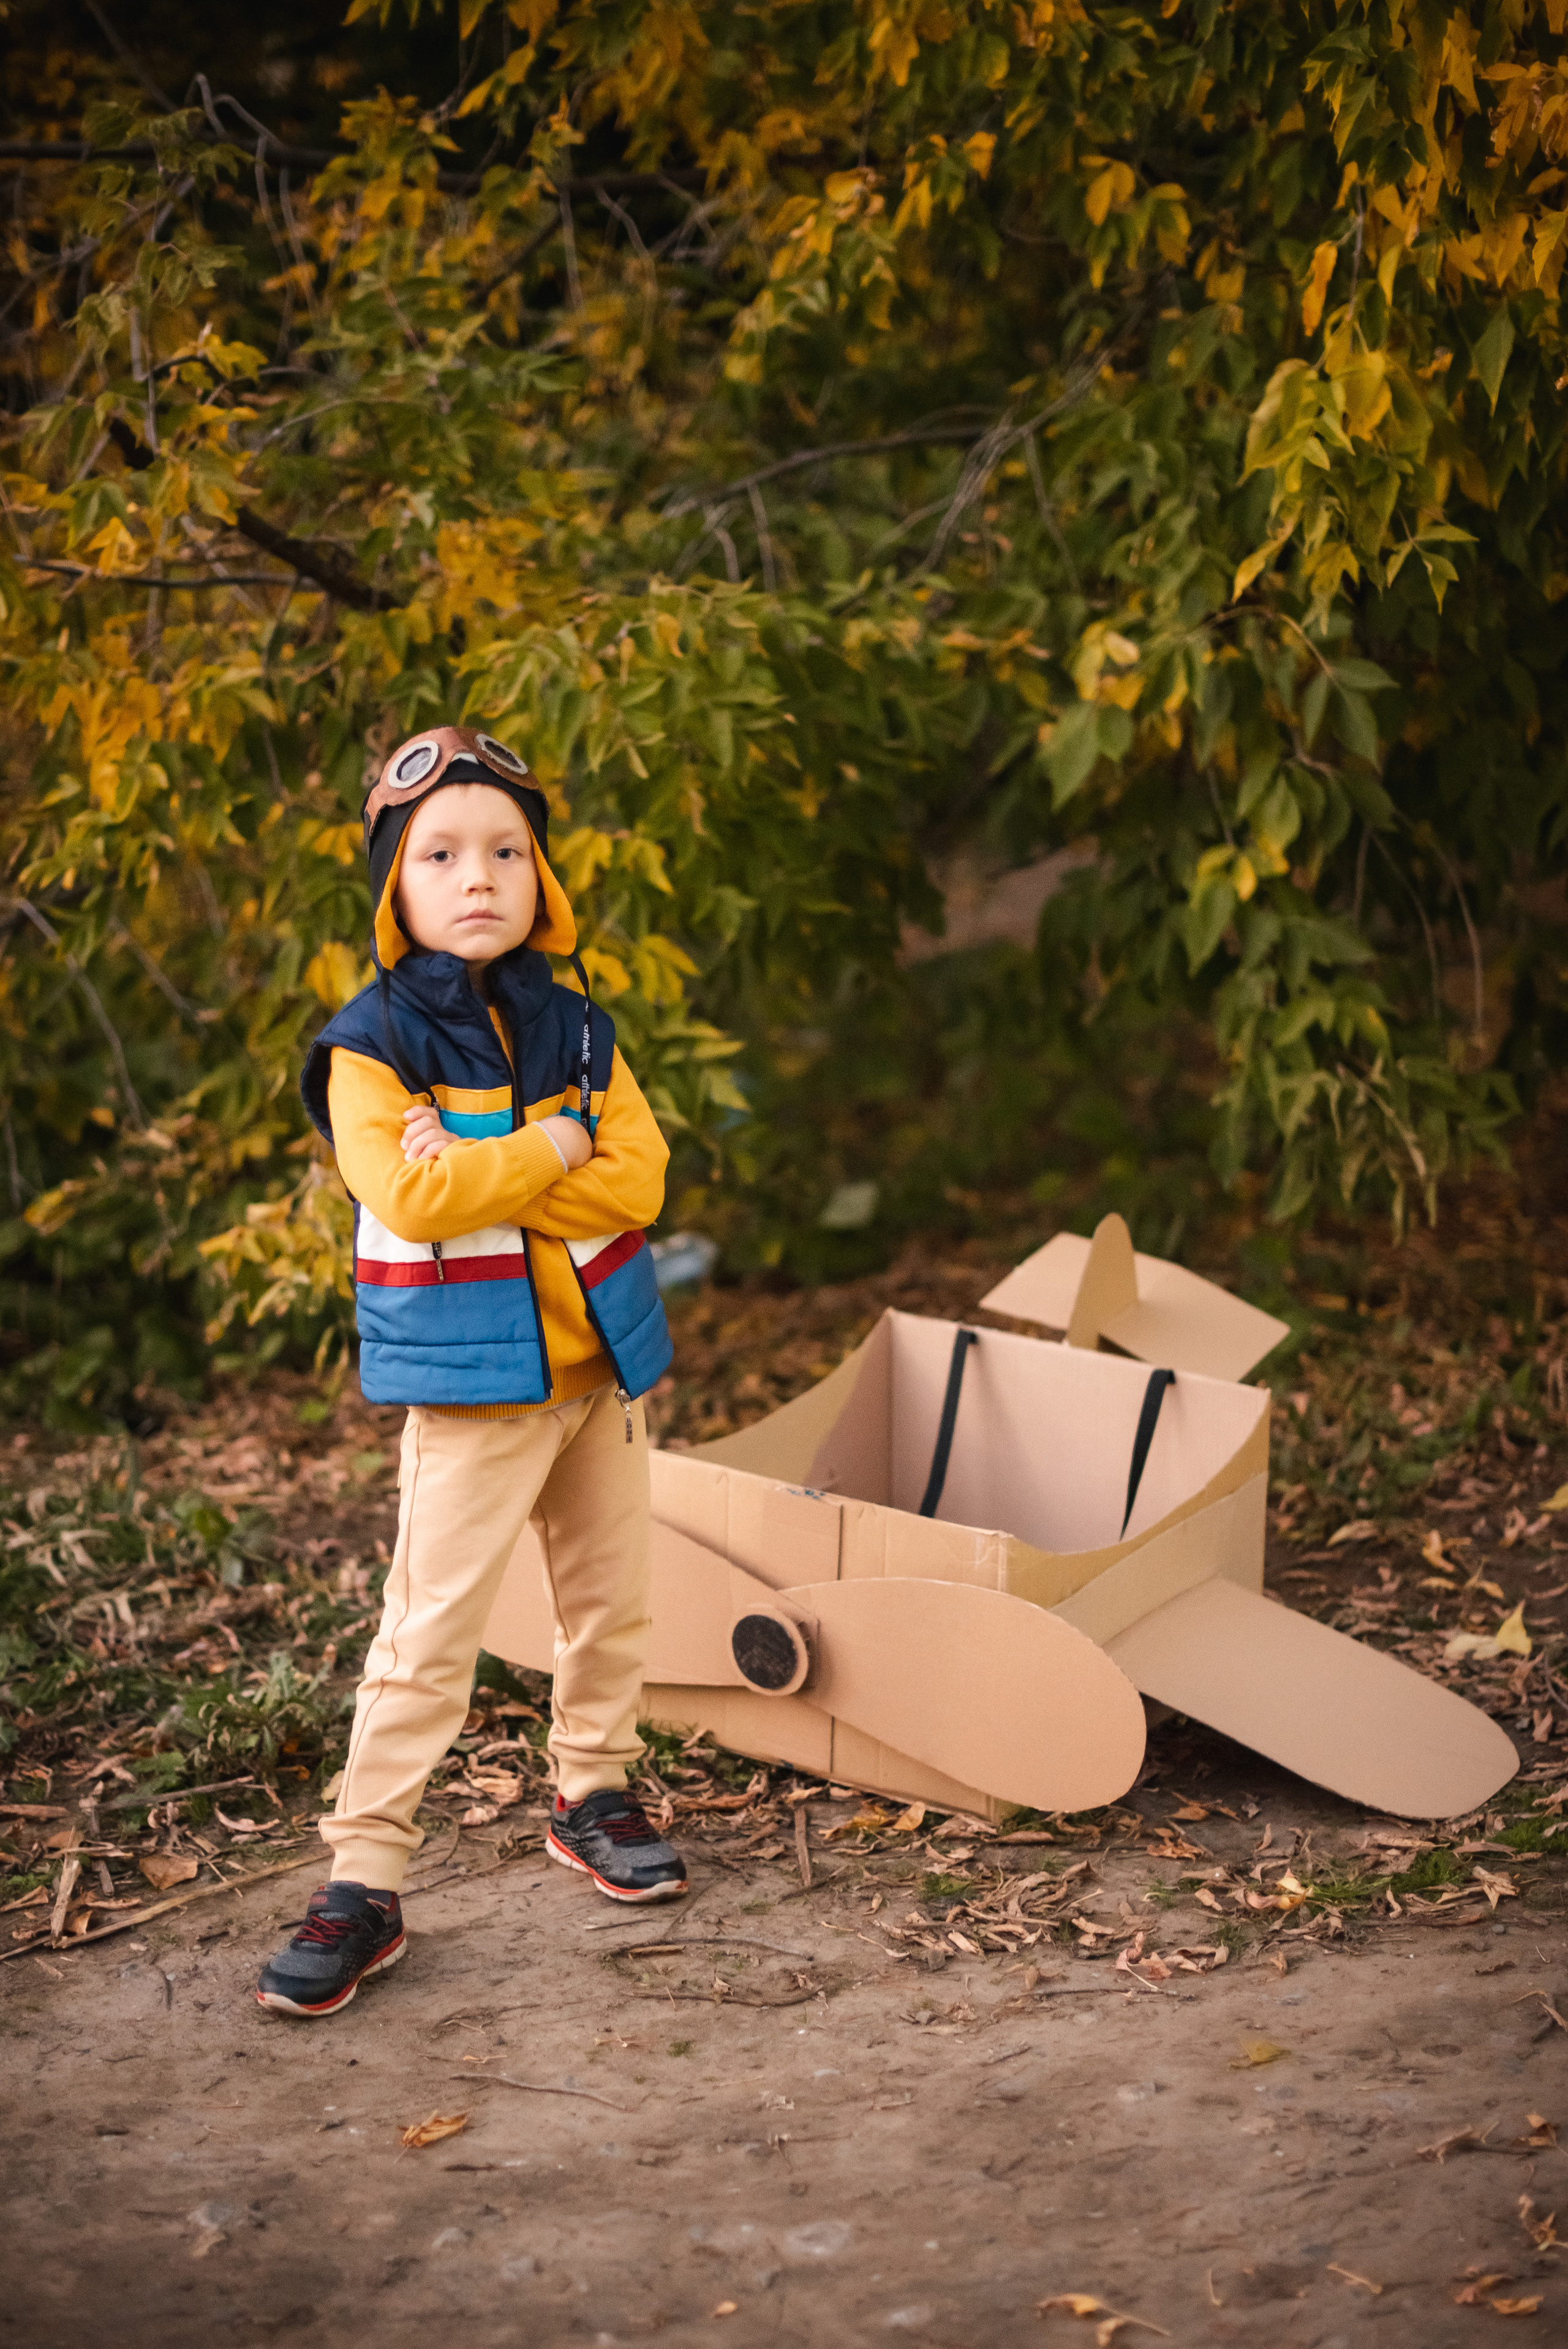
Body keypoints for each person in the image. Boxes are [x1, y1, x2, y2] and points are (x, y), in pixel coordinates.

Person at [255, 725, 685, 2019]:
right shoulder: (370, 1044)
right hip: (472, 1382)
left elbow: (643, 1178)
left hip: (597, 1367)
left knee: (610, 1609)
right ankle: (364, 1878)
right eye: (441, 854)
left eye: (506, 849)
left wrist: (513, 1156)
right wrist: (563, 1144)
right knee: (427, 1635)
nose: (479, 875)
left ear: (539, 873)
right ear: (398, 884)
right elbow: (410, 1194)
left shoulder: (581, 1028)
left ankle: (593, 1793)